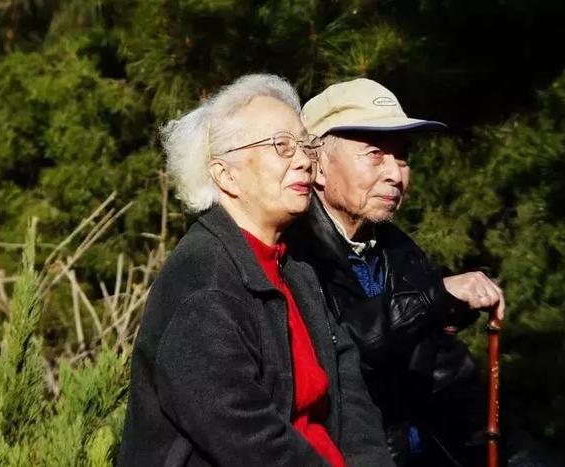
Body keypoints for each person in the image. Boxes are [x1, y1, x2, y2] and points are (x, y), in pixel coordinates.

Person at [119, 74, 394, 466]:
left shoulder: (293, 266)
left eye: (304, 145)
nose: (302, 160)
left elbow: (348, 393)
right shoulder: (203, 283)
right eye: (281, 146)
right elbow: (249, 442)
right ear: (224, 174)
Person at [285, 78, 506, 466]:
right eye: (374, 153)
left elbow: (449, 380)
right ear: (317, 165)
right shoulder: (291, 253)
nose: (395, 174)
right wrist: (433, 298)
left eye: (402, 156)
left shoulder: (400, 252)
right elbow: (333, 351)